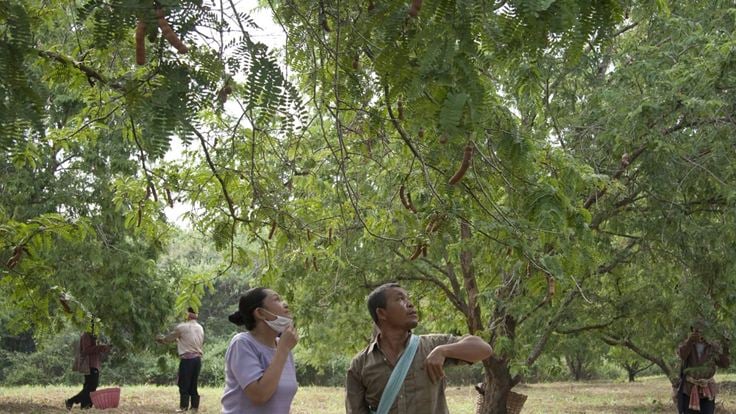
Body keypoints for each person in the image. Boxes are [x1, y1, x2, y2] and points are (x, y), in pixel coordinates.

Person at [346, 282, 493, 414]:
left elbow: (484, 349)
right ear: (381, 313)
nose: (410, 304)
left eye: (408, 298)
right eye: (400, 299)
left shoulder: (432, 345)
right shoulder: (360, 365)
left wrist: (443, 351)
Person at [221, 287, 299, 414]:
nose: (285, 304)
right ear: (260, 313)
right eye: (277, 299)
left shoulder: (283, 347)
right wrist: (283, 349)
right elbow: (259, 395)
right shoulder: (242, 343)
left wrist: (283, 348)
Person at [157, 307, 205, 412]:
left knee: (183, 383)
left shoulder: (182, 327)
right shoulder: (200, 327)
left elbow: (169, 338)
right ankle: (194, 407)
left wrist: (161, 340)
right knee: (193, 383)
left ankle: (183, 407)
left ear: (187, 314)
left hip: (187, 360)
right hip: (197, 359)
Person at [676, 320, 730, 414]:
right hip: (688, 389)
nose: (699, 333)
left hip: (707, 390)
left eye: (702, 330)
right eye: (697, 330)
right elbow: (682, 355)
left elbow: (725, 364)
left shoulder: (713, 346)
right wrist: (690, 341)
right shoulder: (686, 343)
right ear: (692, 331)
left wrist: (725, 346)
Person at [66, 329, 110, 410]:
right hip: (90, 365)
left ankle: (85, 406)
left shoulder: (93, 335)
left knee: (88, 387)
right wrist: (101, 347)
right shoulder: (86, 335)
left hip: (93, 364)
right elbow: (86, 350)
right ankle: (71, 401)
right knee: (91, 387)